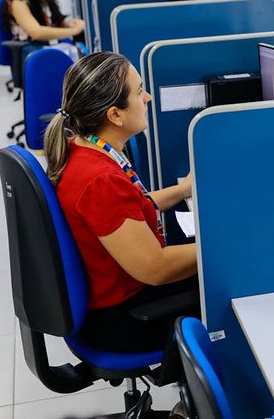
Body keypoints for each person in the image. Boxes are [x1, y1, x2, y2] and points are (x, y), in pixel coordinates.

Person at [44, 52, 199, 353]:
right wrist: (226, 247)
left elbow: (130, 206)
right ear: (115, 115)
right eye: (139, 92)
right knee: (231, 283)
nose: (148, 98)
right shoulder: (100, 180)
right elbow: (155, 268)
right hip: (125, 320)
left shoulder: (83, 149)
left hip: (122, 297)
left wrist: (182, 190)